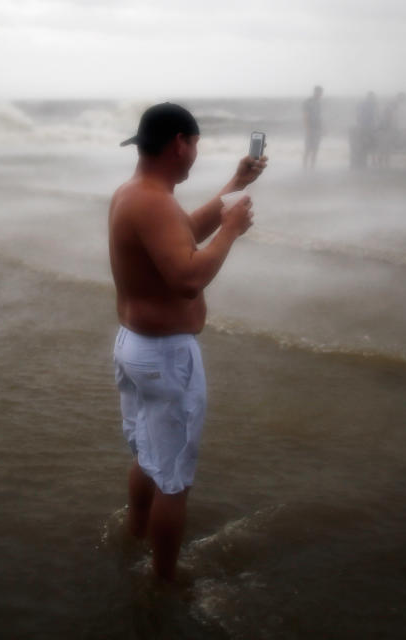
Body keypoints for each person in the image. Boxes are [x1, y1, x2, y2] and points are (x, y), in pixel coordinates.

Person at [109, 103, 268, 582]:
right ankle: (162, 581)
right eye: (195, 145)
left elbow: (180, 236)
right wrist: (233, 233)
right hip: (164, 357)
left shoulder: (136, 193)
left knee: (148, 456)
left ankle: (135, 532)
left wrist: (234, 189)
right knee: (173, 480)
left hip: (137, 348)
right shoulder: (153, 201)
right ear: (181, 143)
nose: (195, 154)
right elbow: (186, 277)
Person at [349, 91, 378, 169]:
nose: (372, 99)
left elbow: (372, 116)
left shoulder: (370, 105)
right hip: (364, 127)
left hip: (366, 127)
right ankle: (361, 162)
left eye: (372, 98)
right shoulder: (366, 105)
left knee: (365, 145)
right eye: (371, 97)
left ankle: (363, 162)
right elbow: (361, 115)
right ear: (369, 97)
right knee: (363, 145)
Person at [302, 85, 323, 170]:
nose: (320, 95)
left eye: (321, 93)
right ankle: (304, 167)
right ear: (315, 92)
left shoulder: (318, 103)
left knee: (315, 148)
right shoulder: (308, 102)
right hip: (310, 129)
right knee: (308, 149)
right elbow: (305, 116)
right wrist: (307, 129)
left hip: (317, 129)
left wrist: (323, 128)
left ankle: (312, 167)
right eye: (319, 93)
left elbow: (319, 117)